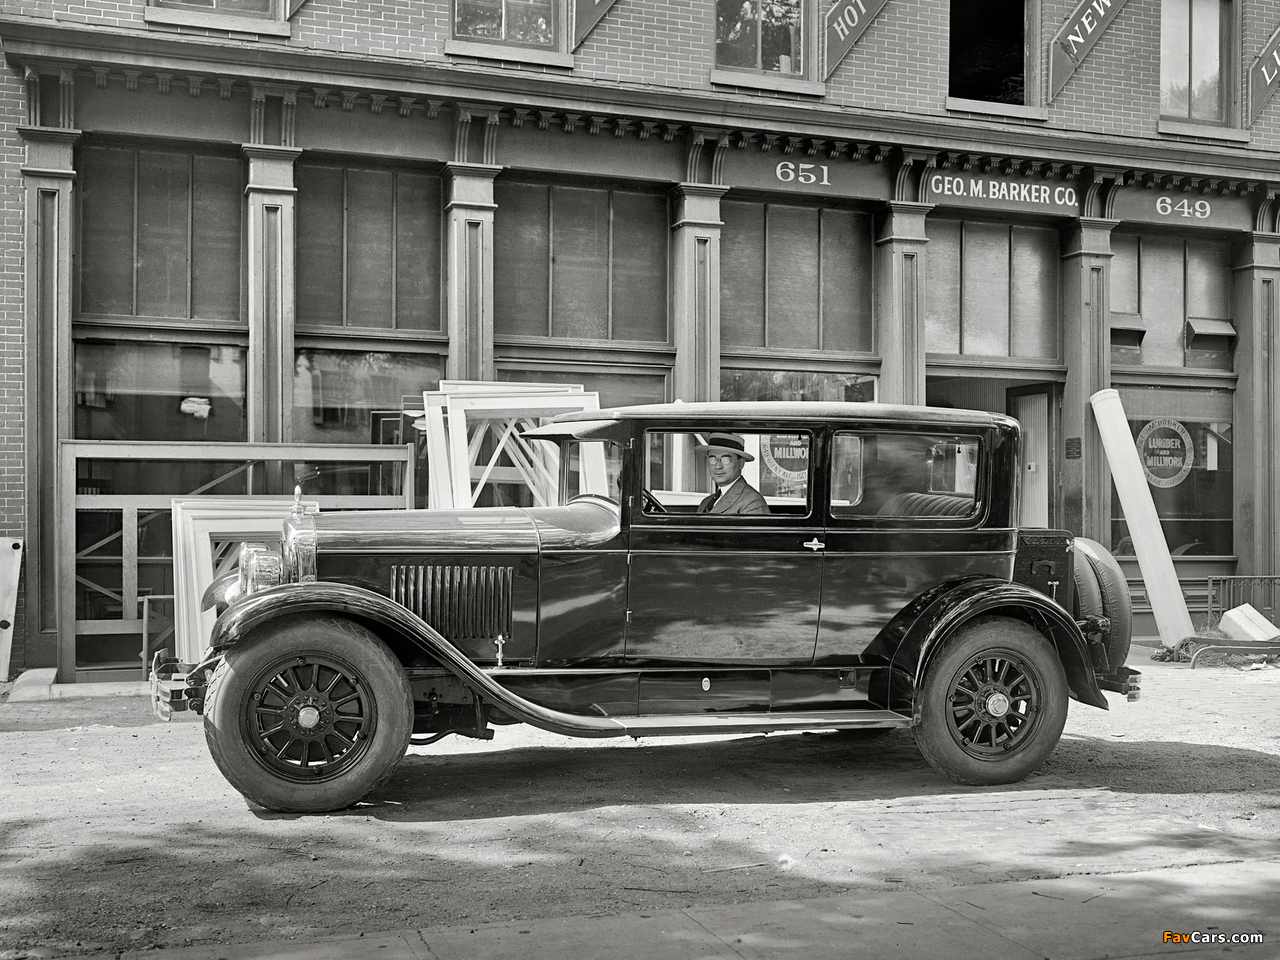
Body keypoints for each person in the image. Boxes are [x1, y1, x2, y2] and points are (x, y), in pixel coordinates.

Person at [694, 432, 770, 515]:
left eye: (726, 460)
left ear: (740, 464)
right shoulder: (706, 502)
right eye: (712, 460)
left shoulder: (752, 502)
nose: (718, 466)